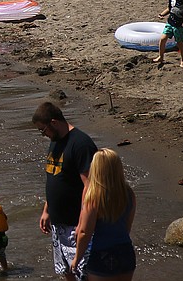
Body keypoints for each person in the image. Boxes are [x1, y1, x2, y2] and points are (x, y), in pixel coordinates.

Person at [33, 101, 97, 279]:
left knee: (82, 273)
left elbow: (90, 187)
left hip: (75, 224)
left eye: (43, 130)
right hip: (58, 224)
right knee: (66, 271)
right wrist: (47, 210)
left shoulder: (81, 144)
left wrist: (84, 222)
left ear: (54, 122)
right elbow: (55, 177)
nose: (43, 134)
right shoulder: (55, 142)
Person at [72, 149, 137, 280]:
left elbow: (85, 232)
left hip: (102, 254)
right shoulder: (128, 193)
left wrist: (77, 259)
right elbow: (127, 227)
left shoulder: (94, 197)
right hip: (126, 251)